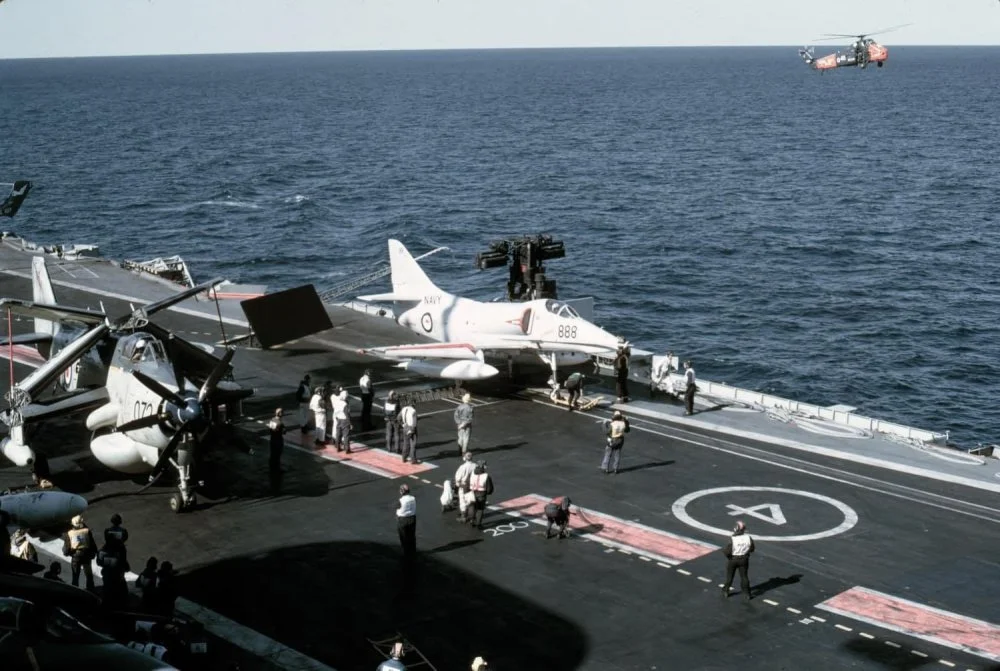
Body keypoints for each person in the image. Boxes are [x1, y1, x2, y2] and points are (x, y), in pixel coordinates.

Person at [721, 520, 755, 601]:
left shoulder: (733, 539)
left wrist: (729, 557)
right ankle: (747, 594)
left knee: (730, 576)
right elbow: (752, 549)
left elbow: (727, 551)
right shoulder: (748, 538)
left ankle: (726, 591)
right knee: (744, 577)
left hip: (733, 560)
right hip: (744, 559)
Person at [62, 514, 97, 589]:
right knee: (89, 576)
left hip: (76, 557)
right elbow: (92, 545)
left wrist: (69, 553)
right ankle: (91, 589)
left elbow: (66, 549)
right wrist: (93, 554)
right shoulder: (87, 531)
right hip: (86, 556)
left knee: (75, 576)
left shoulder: (69, 533)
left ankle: (75, 591)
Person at [601, 410, 630, 475]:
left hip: (612, 440)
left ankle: (605, 468)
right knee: (617, 454)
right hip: (620, 440)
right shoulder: (623, 423)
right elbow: (627, 430)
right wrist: (626, 421)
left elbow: (606, 431)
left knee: (608, 454)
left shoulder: (612, 424)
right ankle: (615, 469)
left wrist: (604, 424)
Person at [469, 461, 494, 529]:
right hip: (481, 494)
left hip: (472, 492)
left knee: (472, 506)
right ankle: (478, 524)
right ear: (482, 466)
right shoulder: (486, 476)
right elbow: (489, 489)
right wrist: (488, 493)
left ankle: (471, 520)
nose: (486, 467)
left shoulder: (472, 473)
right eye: (485, 465)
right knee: (480, 509)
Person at [454, 451, 477, 523]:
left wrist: (457, 484)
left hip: (464, 485)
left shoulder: (463, 467)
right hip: (473, 486)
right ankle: (472, 517)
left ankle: (463, 516)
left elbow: (458, 477)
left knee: (462, 500)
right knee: (471, 501)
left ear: (465, 458)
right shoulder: (475, 465)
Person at [396, 484, 417, 560]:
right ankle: (413, 551)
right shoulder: (413, 498)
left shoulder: (401, 500)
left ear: (402, 491)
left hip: (402, 520)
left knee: (403, 537)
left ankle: (405, 553)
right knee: (411, 536)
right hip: (412, 518)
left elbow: (396, 507)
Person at [399, 398, 418, 464]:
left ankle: (404, 457)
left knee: (406, 444)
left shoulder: (404, 409)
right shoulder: (414, 411)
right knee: (413, 444)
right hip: (412, 428)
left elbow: (398, 418)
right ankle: (413, 459)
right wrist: (412, 430)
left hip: (405, 428)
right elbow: (414, 422)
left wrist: (403, 425)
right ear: (413, 404)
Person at [267, 408, 286, 472]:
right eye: (282, 412)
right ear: (280, 414)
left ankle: (271, 467)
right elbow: (284, 432)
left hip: (272, 439)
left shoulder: (272, 420)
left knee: (272, 454)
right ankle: (277, 469)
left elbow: (270, 428)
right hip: (278, 440)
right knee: (278, 455)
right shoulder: (280, 423)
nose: (283, 414)